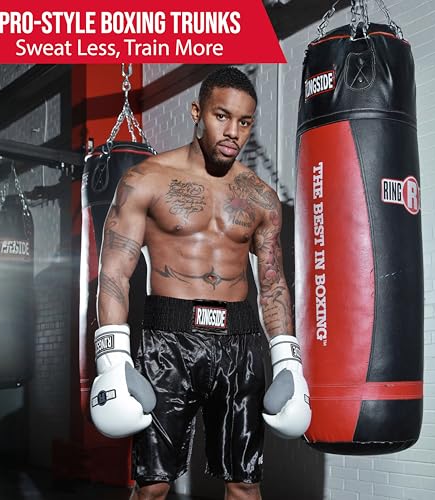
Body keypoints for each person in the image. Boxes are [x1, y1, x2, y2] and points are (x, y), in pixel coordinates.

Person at [91, 67, 311, 500]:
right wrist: (112, 359)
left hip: (240, 342)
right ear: (197, 112)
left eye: (244, 122)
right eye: (221, 116)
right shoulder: (146, 179)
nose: (233, 132)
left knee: (245, 483)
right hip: (168, 341)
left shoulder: (261, 197)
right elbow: (114, 271)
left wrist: (288, 361)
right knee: (153, 484)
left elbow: (272, 283)